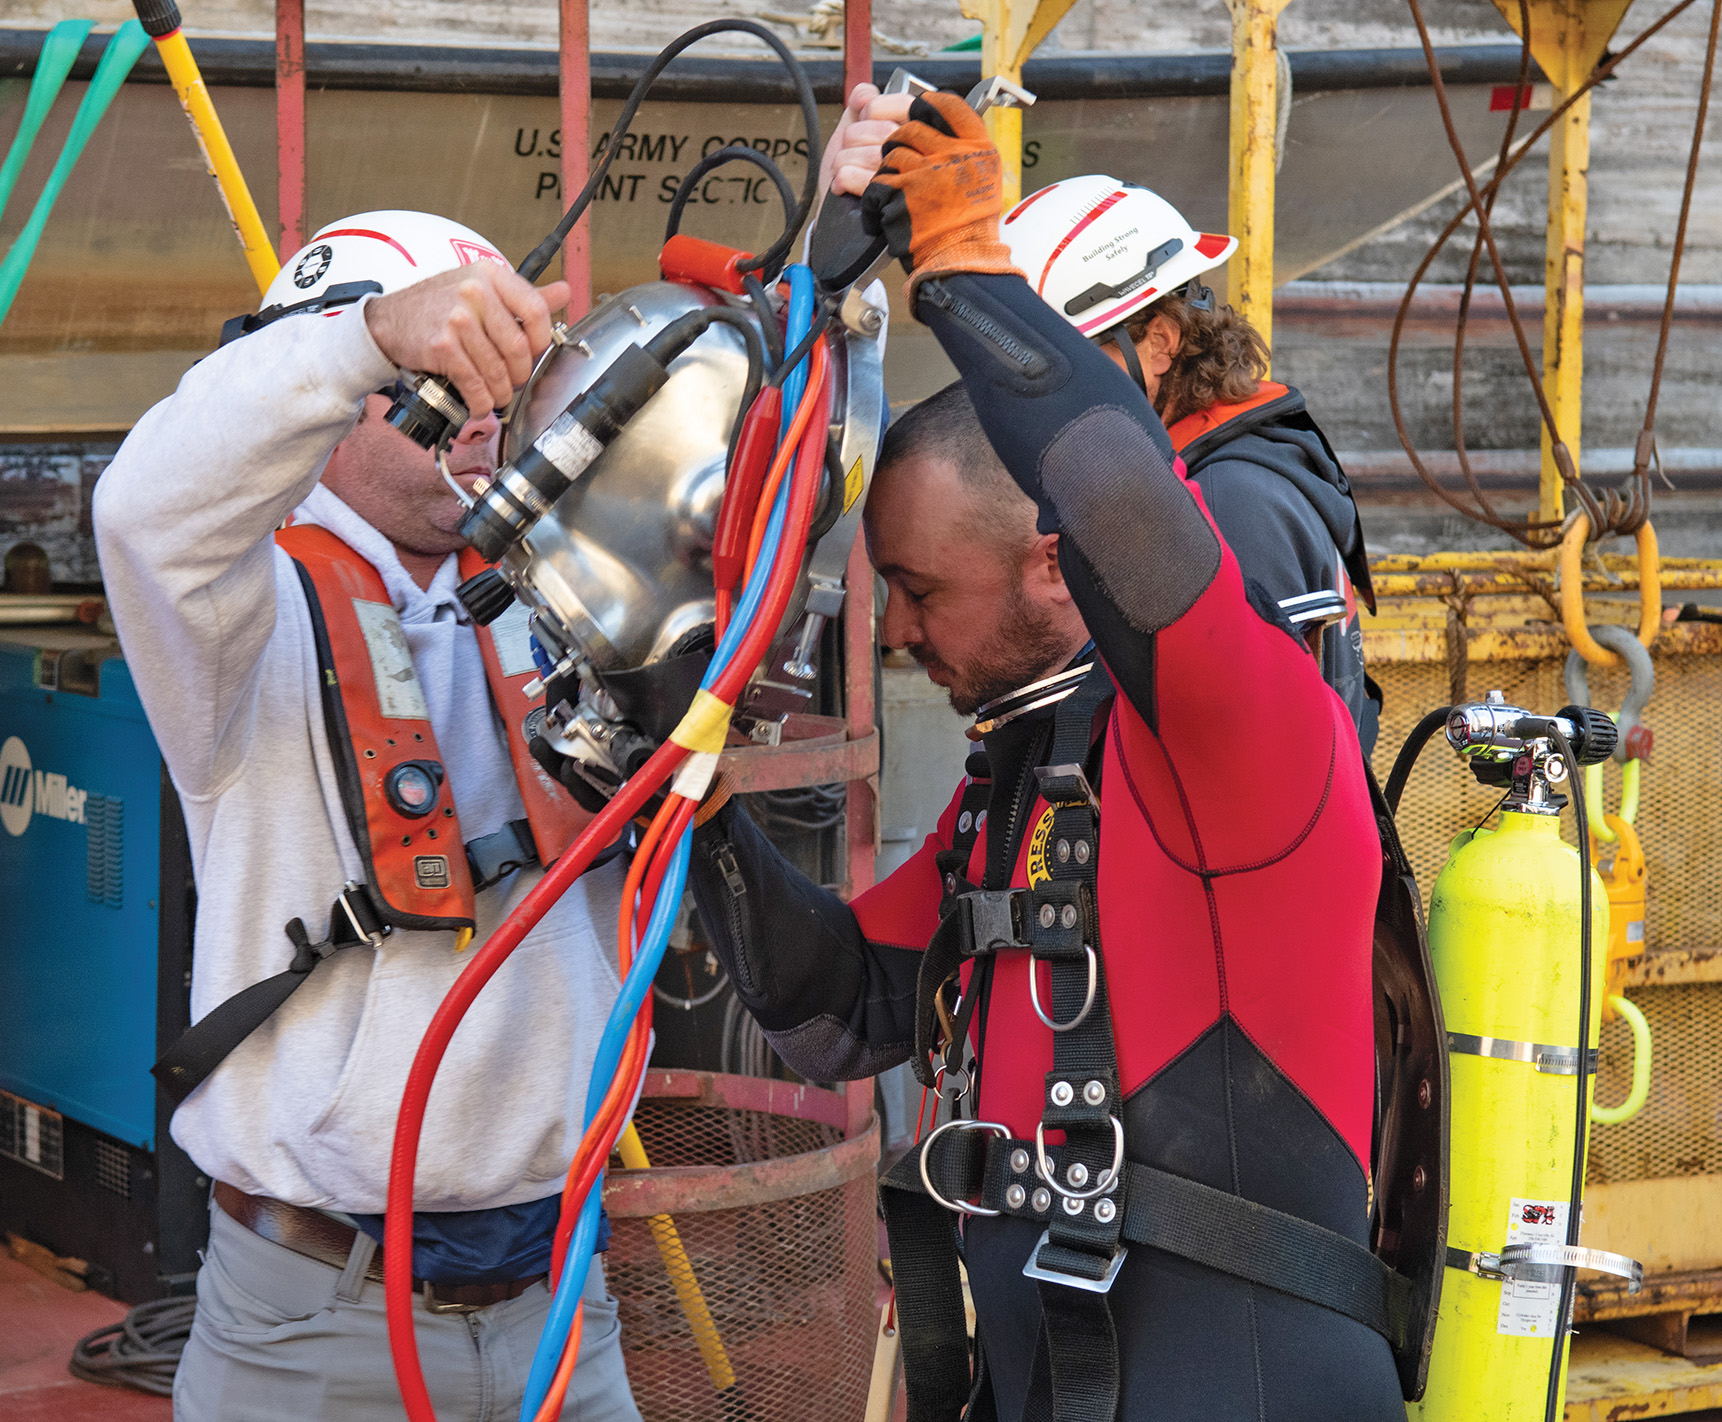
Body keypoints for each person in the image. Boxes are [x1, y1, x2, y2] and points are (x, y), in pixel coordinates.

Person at [682, 92, 1409, 1420]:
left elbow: (1130, 510)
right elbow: (836, 1006)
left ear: (1053, 563)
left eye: (915, 590)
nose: (893, 636)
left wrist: (957, 259)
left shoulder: (1239, 731)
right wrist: (678, 794)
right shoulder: (1020, 779)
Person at [95, 212, 641, 1422]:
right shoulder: (243, 622)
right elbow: (145, 511)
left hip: (566, 1309)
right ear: (337, 403)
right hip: (314, 1324)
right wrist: (369, 336)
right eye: (442, 385)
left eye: (502, 379)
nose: (486, 411)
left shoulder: (577, 597)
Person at [997, 174, 1382, 752]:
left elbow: (1250, 762)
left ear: (1159, 343)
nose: (1045, 396)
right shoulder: (1213, 475)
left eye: (1065, 361)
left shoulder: (1233, 504)